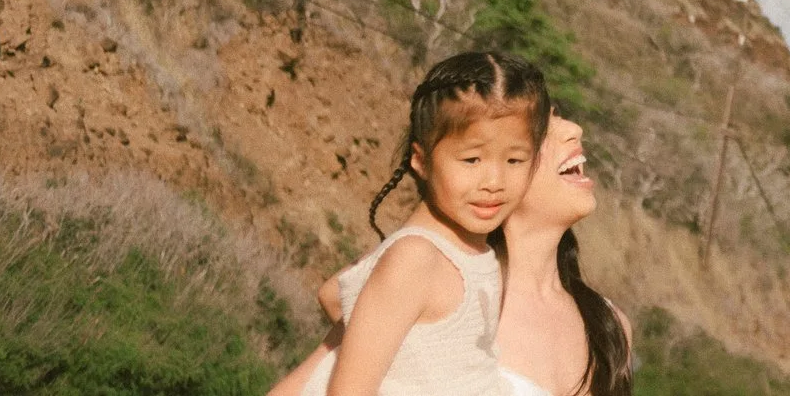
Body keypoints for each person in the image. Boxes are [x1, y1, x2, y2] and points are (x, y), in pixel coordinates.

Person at [271, 71, 633, 396]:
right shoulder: (446, 289)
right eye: (543, 129)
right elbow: (332, 313)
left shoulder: (609, 326)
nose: (574, 130)